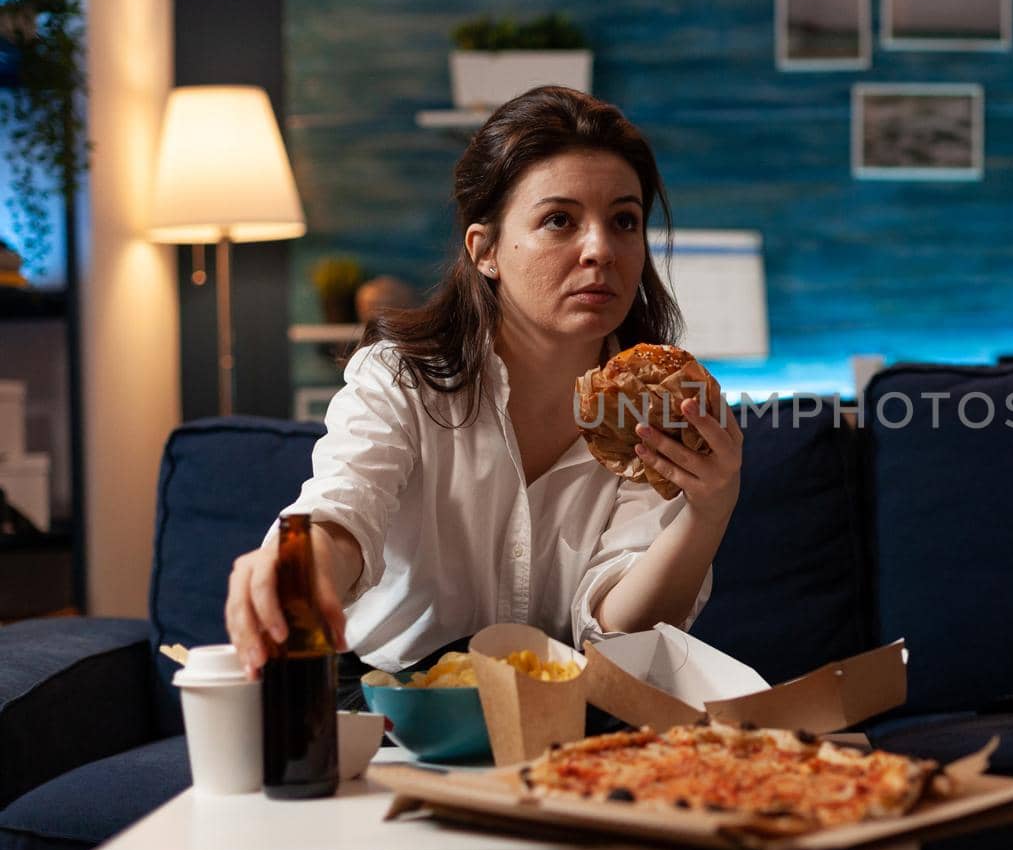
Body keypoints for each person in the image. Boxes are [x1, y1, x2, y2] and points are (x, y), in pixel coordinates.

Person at [223, 86, 742, 699]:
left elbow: (620, 626)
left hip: (559, 711)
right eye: (559, 220)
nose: (601, 248)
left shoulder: (648, 413)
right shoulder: (400, 378)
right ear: (486, 250)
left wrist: (708, 512)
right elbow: (345, 510)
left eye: (623, 220)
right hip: (391, 703)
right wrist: (296, 571)